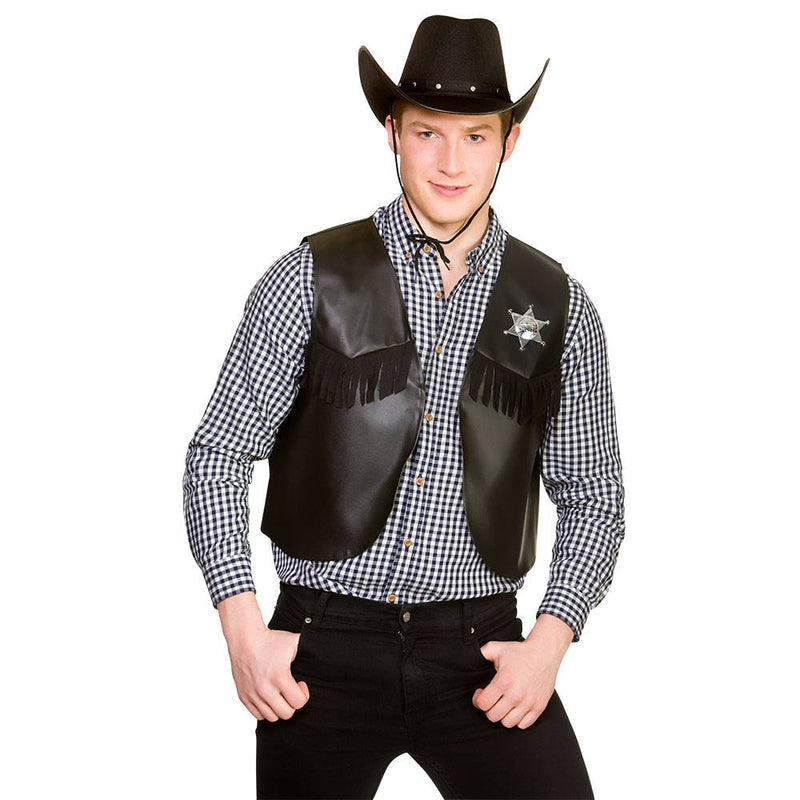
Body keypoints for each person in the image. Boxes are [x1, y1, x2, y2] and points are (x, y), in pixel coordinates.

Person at [183, 14, 625, 800]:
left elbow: (594, 495)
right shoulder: (308, 279)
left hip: (482, 652)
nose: (452, 163)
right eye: (428, 134)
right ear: (393, 132)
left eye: (476, 137)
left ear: (510, 143)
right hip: (318, 649)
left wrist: (549, 643)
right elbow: (218, 454)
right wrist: (243, 629)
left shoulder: (559, 307)